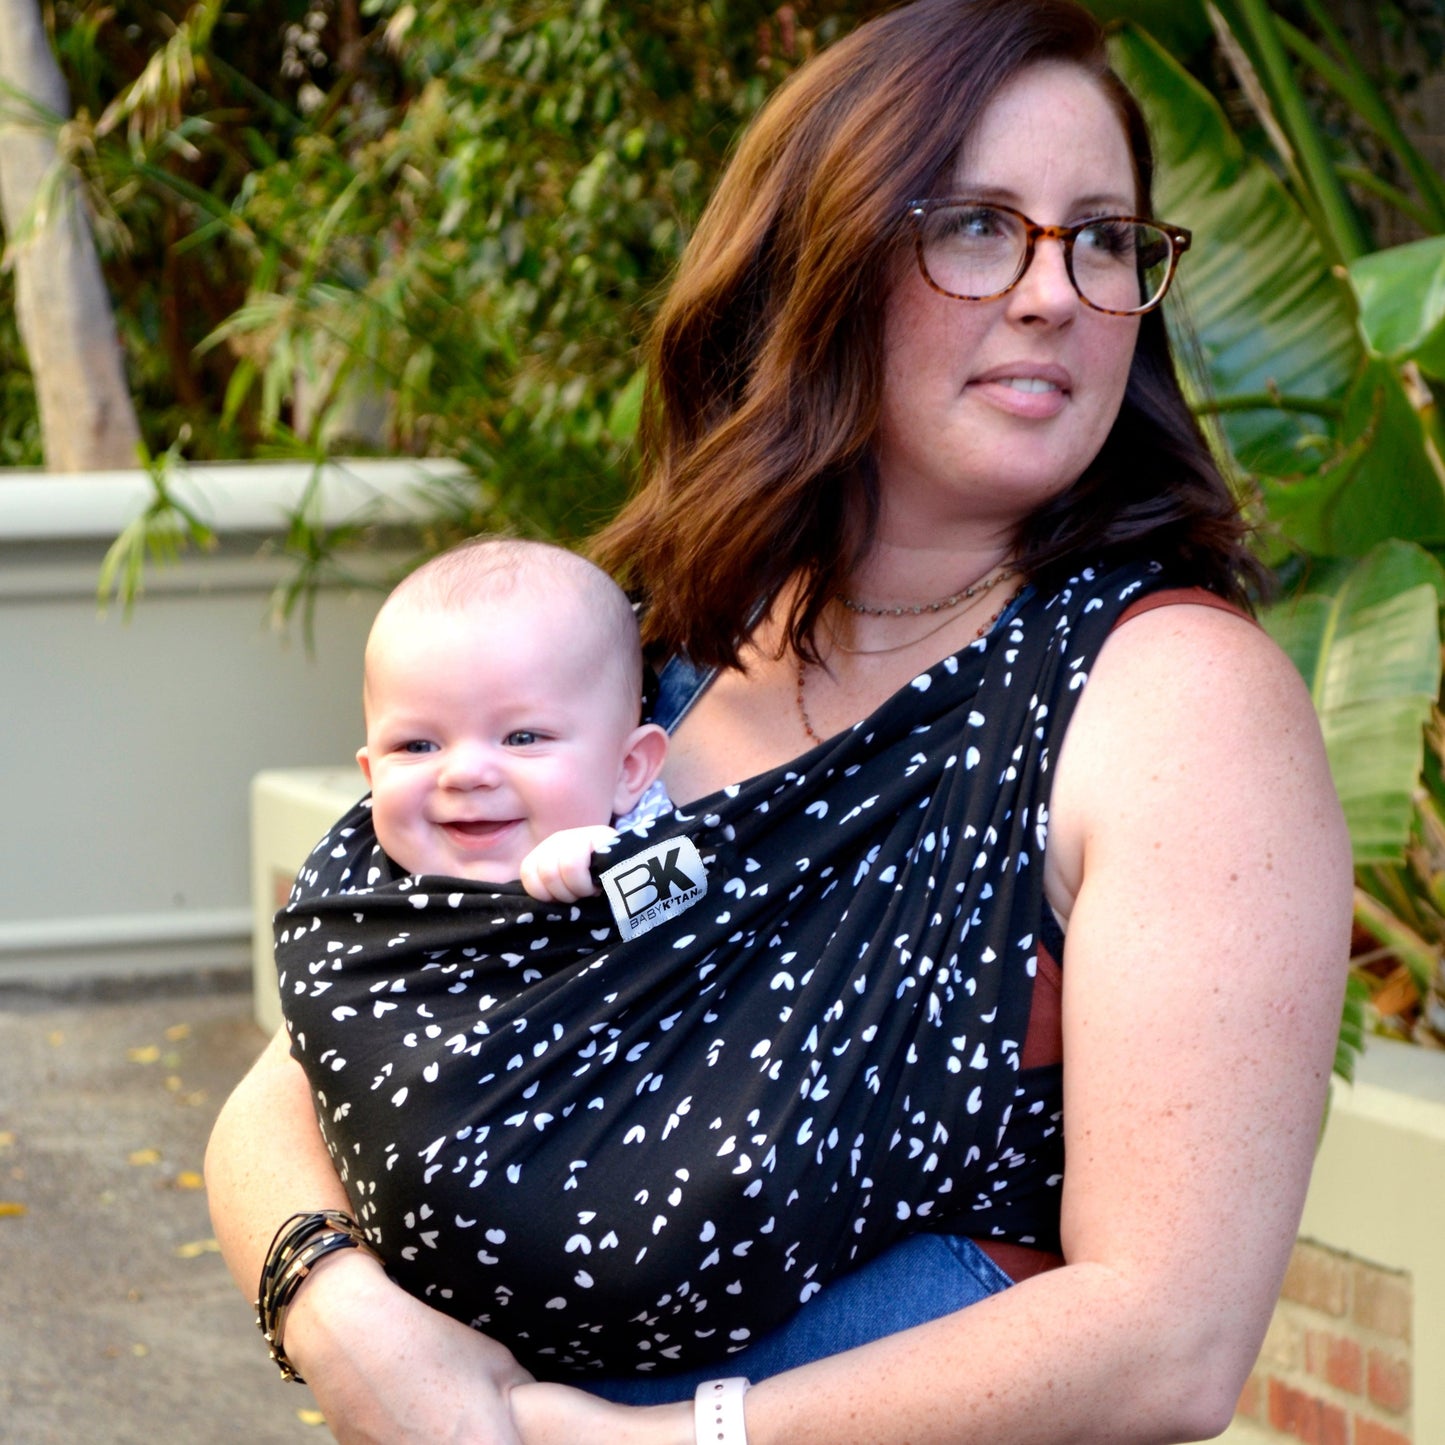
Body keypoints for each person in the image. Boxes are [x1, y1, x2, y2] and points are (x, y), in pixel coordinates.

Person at [206, 2, 1353, 1442]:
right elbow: (318, 1066)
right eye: (979, 226)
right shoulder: (656, 641)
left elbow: (1165, 1338)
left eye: (1105, 237)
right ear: (822, 259)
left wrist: (666, 1440)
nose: (1057, 291)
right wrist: (343, 1315)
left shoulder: (1169, 697)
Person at [346, 535, 670, 901]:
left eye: (523, 738)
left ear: (628, 769)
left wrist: (613, 864)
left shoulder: (663, 845)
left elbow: (706, 895)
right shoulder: (351, 887)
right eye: (417, 746)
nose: (465, 774)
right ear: (372, 775)